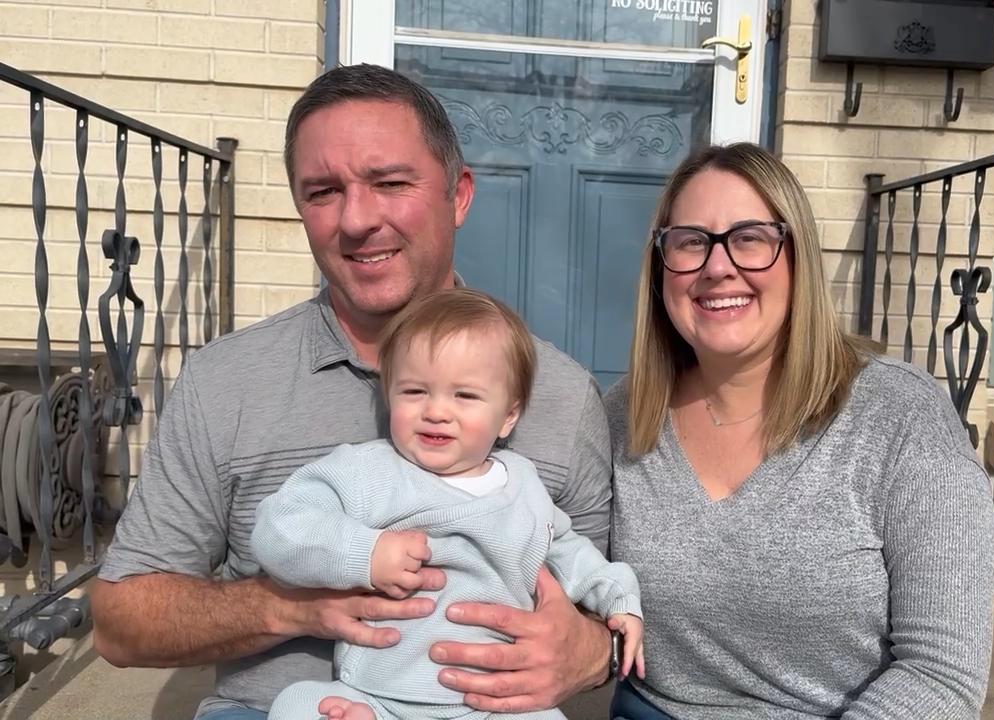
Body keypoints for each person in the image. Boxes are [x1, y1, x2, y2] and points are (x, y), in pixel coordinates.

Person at [89, 63, 619, 720]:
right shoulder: (228, 381)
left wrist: (592, 652)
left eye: (390, 183)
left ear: (458, 196)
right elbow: (119, 622)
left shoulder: (561, 396)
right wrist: (287, 606)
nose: (357, 220)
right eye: (324, 192)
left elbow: (598, 613)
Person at [602, 142, 994, 720]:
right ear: (661, 264)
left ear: (798, 257)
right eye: (690, 241)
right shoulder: (624, 415)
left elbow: (943, 673)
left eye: (749, 238)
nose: (717, 266)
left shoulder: (898, 417)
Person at [252, 288, 645, 720]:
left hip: (492, 706)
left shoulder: (524, 488)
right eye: (415, 391)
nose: (437, 411)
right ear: (389, 395)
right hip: (377, 697)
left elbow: (571, 553)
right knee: (299, 704)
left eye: (465, 396)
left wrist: (618, 598)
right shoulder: (368, 472)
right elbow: (279, 526)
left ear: (508, 415)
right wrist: (364, 553)